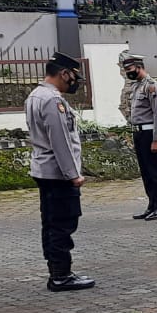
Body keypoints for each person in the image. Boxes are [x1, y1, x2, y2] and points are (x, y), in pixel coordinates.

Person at [25, 52, 95, 292]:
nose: (74, 81)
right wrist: (72, 174)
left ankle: (57, 271)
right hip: (58, 173)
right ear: (64, 73)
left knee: (51, 223)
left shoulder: (35, 95)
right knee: (62, 224)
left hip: (44, 170)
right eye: (74, 76)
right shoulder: (52, 100)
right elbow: (61, 141)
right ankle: (61, 275)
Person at [120, 51, 157, 220]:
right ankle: (152, 205)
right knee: (146, 172)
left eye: (130, 69)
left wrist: (156, 139)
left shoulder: (151, 85)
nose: (128, 73)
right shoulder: (137, 85)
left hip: (150, 133)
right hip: (139, 133)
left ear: (139, 67)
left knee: (155, 171)